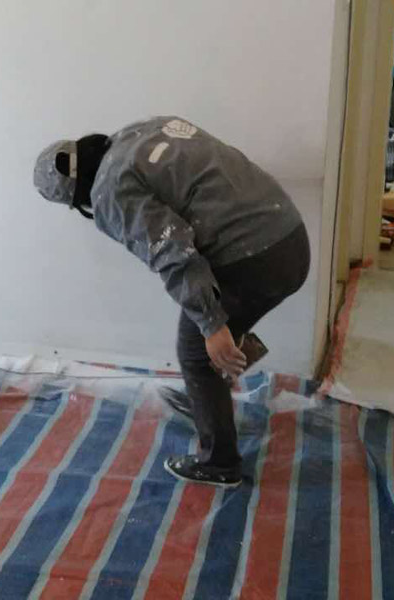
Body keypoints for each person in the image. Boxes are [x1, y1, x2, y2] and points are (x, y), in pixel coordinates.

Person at [34, 117, 309, 488]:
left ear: (75, 197)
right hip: (288, 234)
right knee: (220, 332)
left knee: (196, 352)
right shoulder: (138, 133)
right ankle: (208, 400)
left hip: (257, 257)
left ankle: (219, 463)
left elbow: (171, 250)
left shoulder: (109, 191)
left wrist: (211, 322)